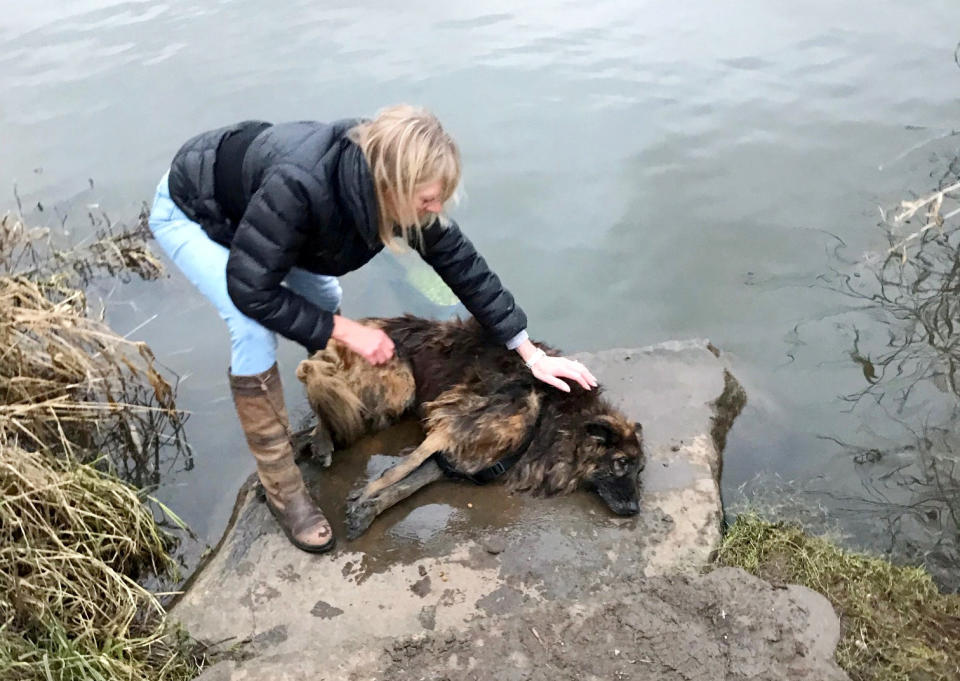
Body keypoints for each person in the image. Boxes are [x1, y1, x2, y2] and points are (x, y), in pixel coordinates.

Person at [148, 105, 598, 553]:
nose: (436, 208)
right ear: (392, 185)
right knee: (251, 327)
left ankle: (326, 401)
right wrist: (344, 330)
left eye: (440, 197)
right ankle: (283, 490)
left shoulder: (396, 191)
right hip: (197, 213)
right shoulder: (299, 185)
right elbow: (250, 290)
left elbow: (464, 267)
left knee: (324, 300)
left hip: (262, 218)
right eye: (427, 200)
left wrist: (529, 352)